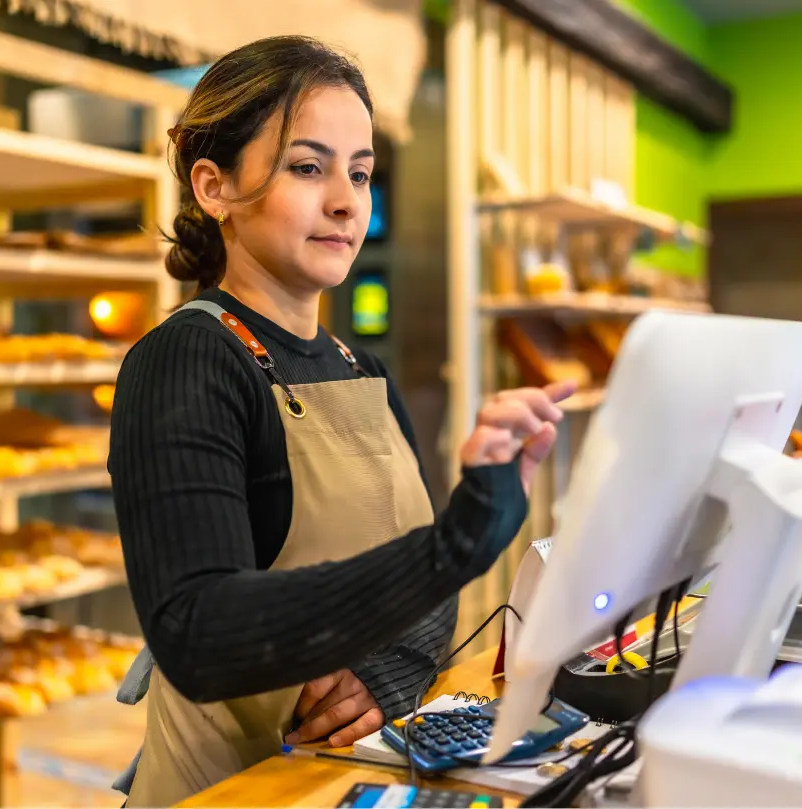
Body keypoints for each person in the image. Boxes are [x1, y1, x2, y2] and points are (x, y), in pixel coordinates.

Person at [108, 35, 574, 807]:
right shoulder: (185, 361)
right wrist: (458, 542)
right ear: (213, 186)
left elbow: (422, 593)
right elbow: (197, 630)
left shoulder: (362, 371)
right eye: (307, 166)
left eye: (359, 172)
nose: (346, 199)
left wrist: (390, 671)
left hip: (340, 779)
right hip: (230, 791)